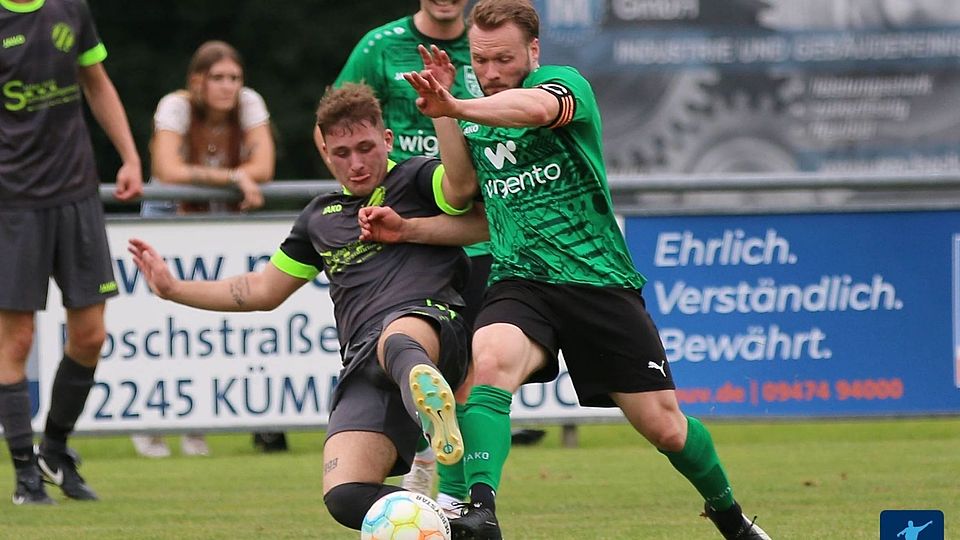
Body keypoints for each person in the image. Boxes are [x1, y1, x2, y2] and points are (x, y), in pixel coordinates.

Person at [373, 0, 775, 538]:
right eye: (480, 60)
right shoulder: (474, 114)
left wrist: (460, 106)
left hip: (597, 281)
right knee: (487, 362)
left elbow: (536, 111)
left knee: (666, 428)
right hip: (521, 280)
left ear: (533, 52)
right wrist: (418, 201)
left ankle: (730, 517)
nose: (490, 73)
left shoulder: (564, 84)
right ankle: (479, 509)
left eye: (503, 60)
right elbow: (467, 196)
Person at [129, 82, 488, 532]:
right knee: (346, 494)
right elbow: (261, 290)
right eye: (341, 153)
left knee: (398, 337)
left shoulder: (415, 178)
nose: (356, 164)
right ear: (323, 151)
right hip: (363, 363)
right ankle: (462, 528)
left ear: (388, 140)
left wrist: (443, 113)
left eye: (365, 148)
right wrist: (173, 289)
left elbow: (461, 187)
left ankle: (429, 409)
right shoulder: (319, 217)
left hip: (430, 329)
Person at [312, 0, 491, 507]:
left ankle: (451, 489)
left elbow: (468, 180)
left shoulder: (486, 50)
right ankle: (436, 483)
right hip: (409, 223)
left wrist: (449, 108)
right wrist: (361, 190)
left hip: (476, 229)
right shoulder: (378, 46)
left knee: (470, 378)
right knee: (431, 365)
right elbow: (334, 120)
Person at [0, 0, 143, 505]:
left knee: (90, 334)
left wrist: (128, 155)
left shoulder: (70, 8)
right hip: (13, 203)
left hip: (77, 193)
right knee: (15, 340)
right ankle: (24, 475)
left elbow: (96, 80)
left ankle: (54, 449)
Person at [132, 39, 275, 459]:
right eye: (217, 78)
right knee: (159, 329)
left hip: (219, 221)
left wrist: (235, 180)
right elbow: (167, 170)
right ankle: (149, 421)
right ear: (198, 81)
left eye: (234, 77)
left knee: (209, 329)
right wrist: (236, 177)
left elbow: (265, 167)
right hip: (169, 219)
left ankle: (196, 424)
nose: (228, 86)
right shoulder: (175, 107)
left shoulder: (249, 103)